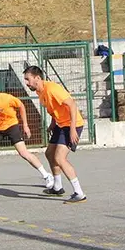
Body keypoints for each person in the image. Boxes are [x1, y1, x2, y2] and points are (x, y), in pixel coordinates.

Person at [0, 81, 55, 191]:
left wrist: (25, 125)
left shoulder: (6, 98)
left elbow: (21, 106)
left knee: (23, 153)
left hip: (11, 125)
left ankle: (46, 175)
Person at [22, 66, 87, 203]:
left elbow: (72, 105)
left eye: (28, 79)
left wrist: (73, 129)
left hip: (71, 125)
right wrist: (52, 123)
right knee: (49, 153)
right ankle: (57, 187)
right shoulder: (41, 92)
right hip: (60, 124)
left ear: (37, 78)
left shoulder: (52, 88)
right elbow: (55, 108)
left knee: (60, 158)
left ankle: (79, 193)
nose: (26, 83)